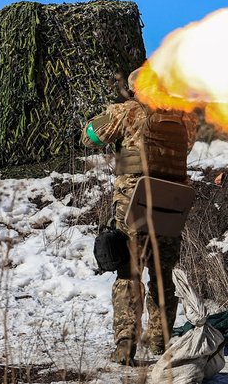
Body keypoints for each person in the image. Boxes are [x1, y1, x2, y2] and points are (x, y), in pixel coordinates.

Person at [82, 67, 198, 365]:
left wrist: (108, 115)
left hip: (134, 203)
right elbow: (188, 145)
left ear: (136, 90)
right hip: (171, 203)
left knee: (128, 272)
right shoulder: (184, 116)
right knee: (163, 275)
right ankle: (161, 342)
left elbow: (90, 137)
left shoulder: (126, 113)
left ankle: (125, 345)